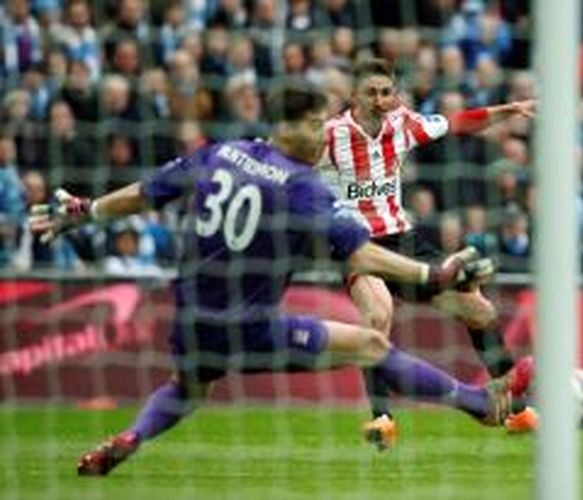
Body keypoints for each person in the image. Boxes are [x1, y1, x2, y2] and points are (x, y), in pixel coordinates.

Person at [28, 82, 533, 477]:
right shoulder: (302, 186)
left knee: (186, 390)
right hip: (251, 327)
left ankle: (133, 437)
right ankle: (478, 403)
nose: (322, 135)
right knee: (372, 345)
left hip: (190, 322)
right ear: (285, 128)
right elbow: (360, 250)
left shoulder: (220, 153)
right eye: (315, 125)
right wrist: (434, 272)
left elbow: (145, 192)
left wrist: (85, 209)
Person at [319, 58, 537, 447]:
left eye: (386, 92)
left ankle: (516, 410)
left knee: (480, 310)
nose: (380, 100)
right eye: (371, 92)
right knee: (377, 313)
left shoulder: (403, 123)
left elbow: (456, 123)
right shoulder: (329, 135)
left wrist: (504, 111)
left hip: (404, 241)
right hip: (359, 246)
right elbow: (283, 157)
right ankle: (382, 418)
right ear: (353, 95)